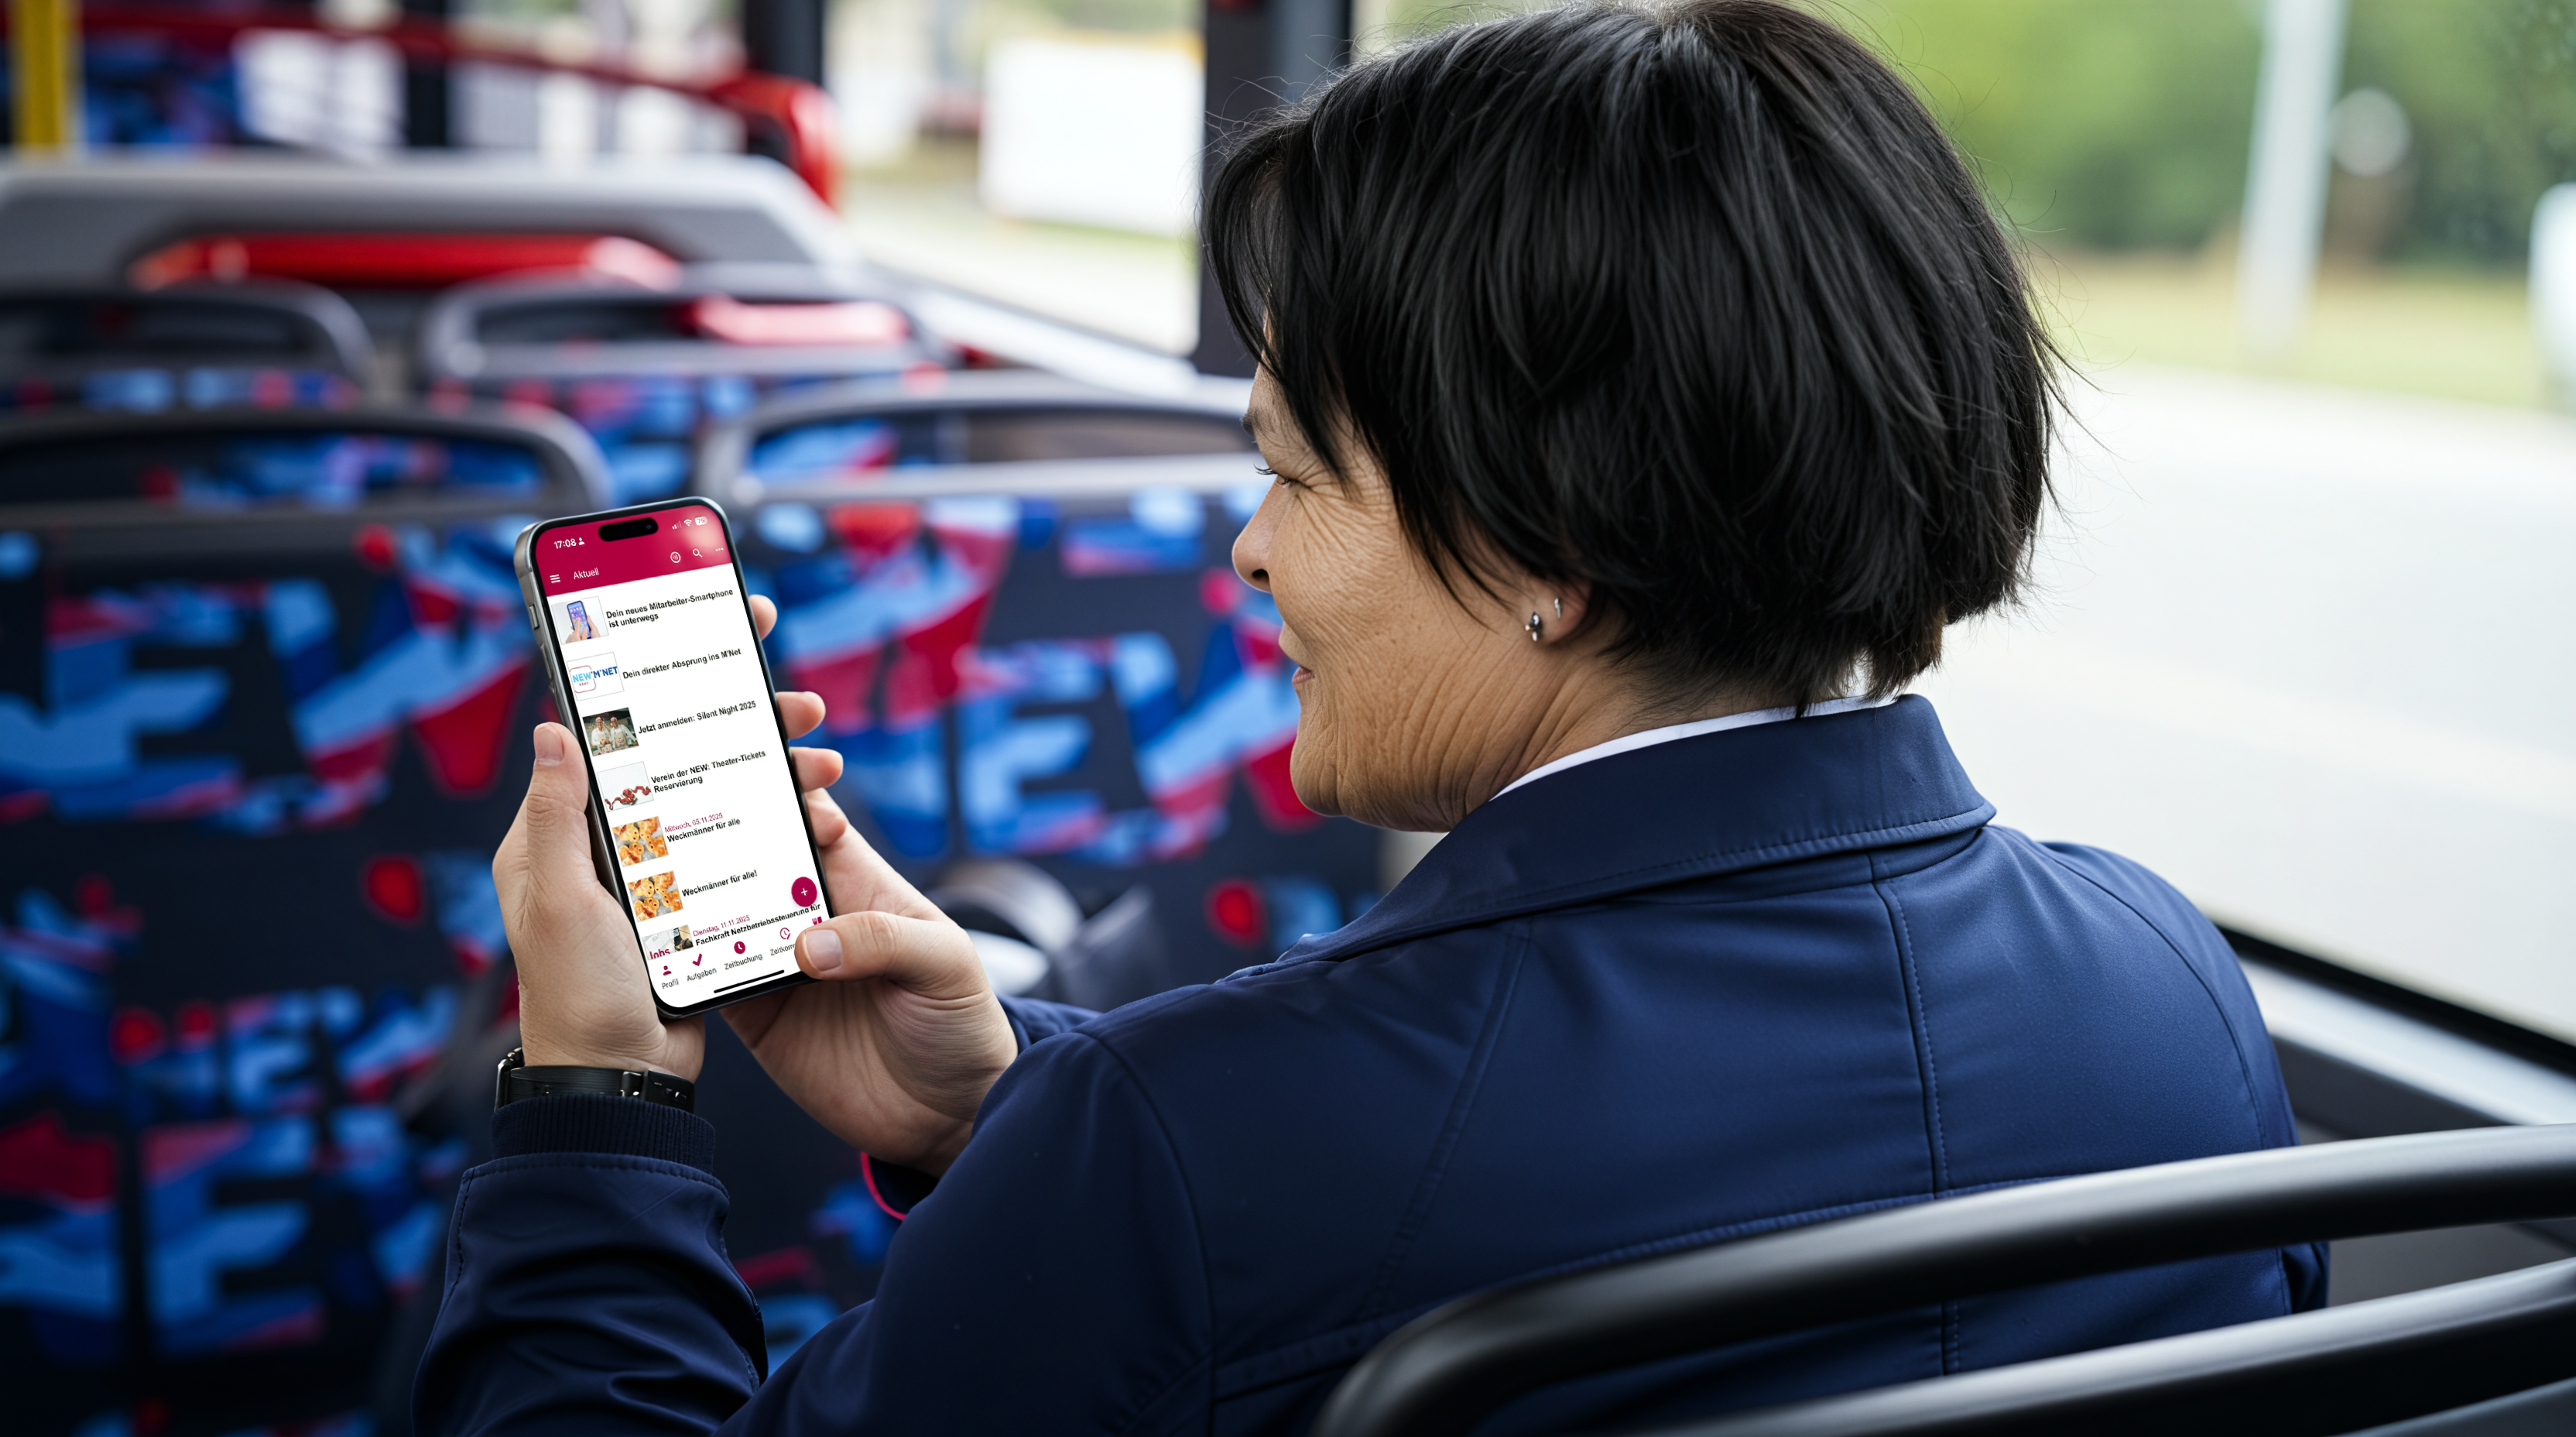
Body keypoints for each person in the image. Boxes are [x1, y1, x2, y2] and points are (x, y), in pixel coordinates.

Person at [417, 3, 2321, 1432]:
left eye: (1293, 481)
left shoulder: (1181, 1158)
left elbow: (1281, 1186)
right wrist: (1017, 1095)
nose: (1246, 558)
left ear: (1543, 547)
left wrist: (596, 1098)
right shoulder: (2174, 992)